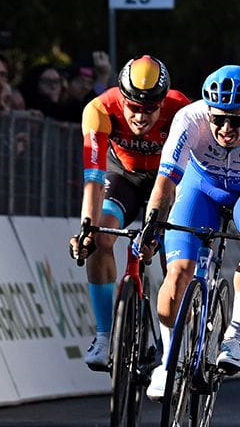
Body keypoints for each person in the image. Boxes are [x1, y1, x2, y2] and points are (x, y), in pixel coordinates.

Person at [142, 65, 240, 401]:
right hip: (201, 188)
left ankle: (235, 335)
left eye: (236, 120)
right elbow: (165, 184)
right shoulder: (188, 119)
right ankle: (167, 360)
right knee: (178, 273)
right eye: (218, 119)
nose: (226, 128)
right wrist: (152, 224)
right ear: (207, 112)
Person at [67, 55, 190, 371]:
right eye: (133, 106)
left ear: (163, 101)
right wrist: (86, 229)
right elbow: (93, 179)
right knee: (100, 237)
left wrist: (159, 228)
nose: (140, 115)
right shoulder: (100, 109)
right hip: (123, 177)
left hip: (167, 179)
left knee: (172, 255)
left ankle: (171, 335)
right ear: (121, 97)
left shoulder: (182, 110)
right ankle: (106, 335)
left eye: (150, 108)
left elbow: (189, 175)